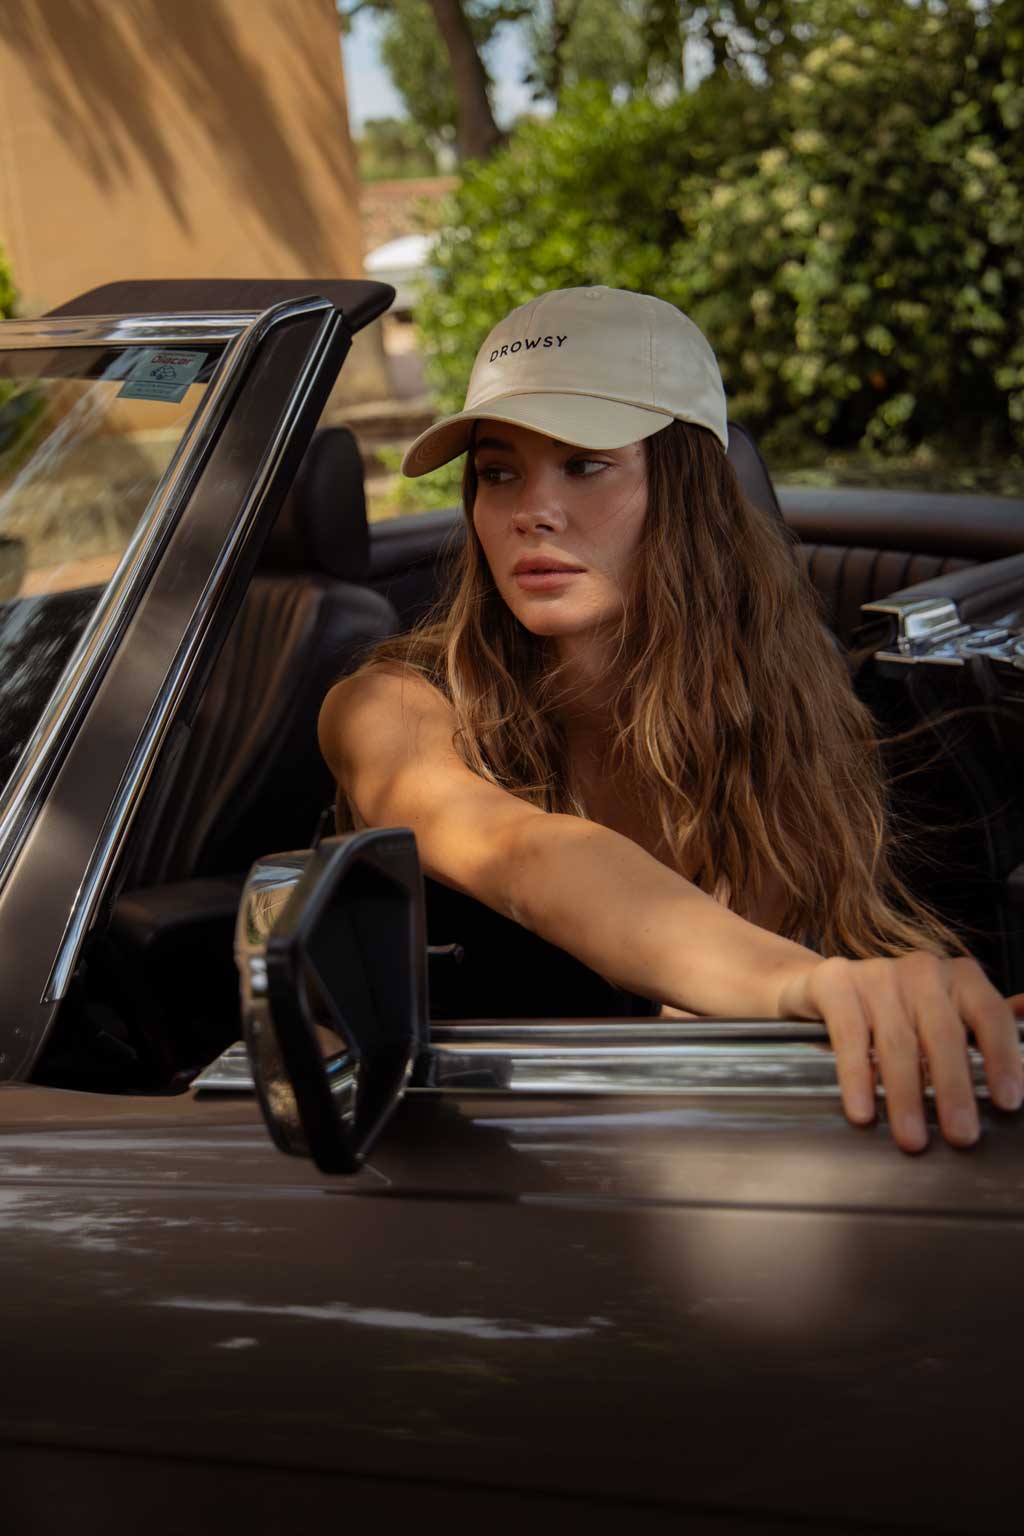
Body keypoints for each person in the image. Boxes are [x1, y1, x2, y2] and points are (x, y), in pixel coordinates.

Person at [318, 284, 1024, 1153]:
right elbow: (521, 855)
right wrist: (812, 988)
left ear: (687, 489)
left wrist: (913, 1020)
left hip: (656, 1159)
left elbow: (697, 1018)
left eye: (584, 464)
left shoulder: (777, 710)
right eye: (499, 472)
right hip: (443, 1167)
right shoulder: (388, 706)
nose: (531, 511)